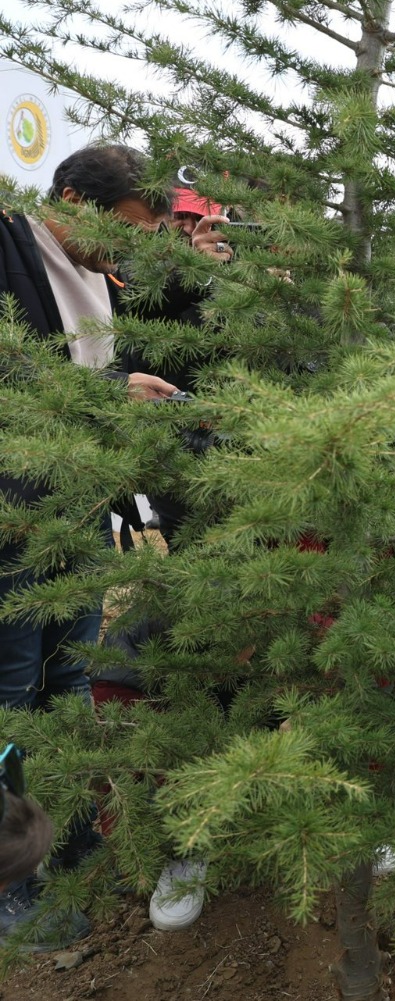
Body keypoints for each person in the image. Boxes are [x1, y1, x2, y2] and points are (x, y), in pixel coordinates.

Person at [0, 143, 179, 950]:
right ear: (68, 197)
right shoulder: (7, 251)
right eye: (123, 231)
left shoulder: (103, 279)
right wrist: (111, 390)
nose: (126, 251)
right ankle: (12, 879)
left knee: (70, 679)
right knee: (9, 695)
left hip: (79, 517)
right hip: (13, 523)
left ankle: (68, 839)